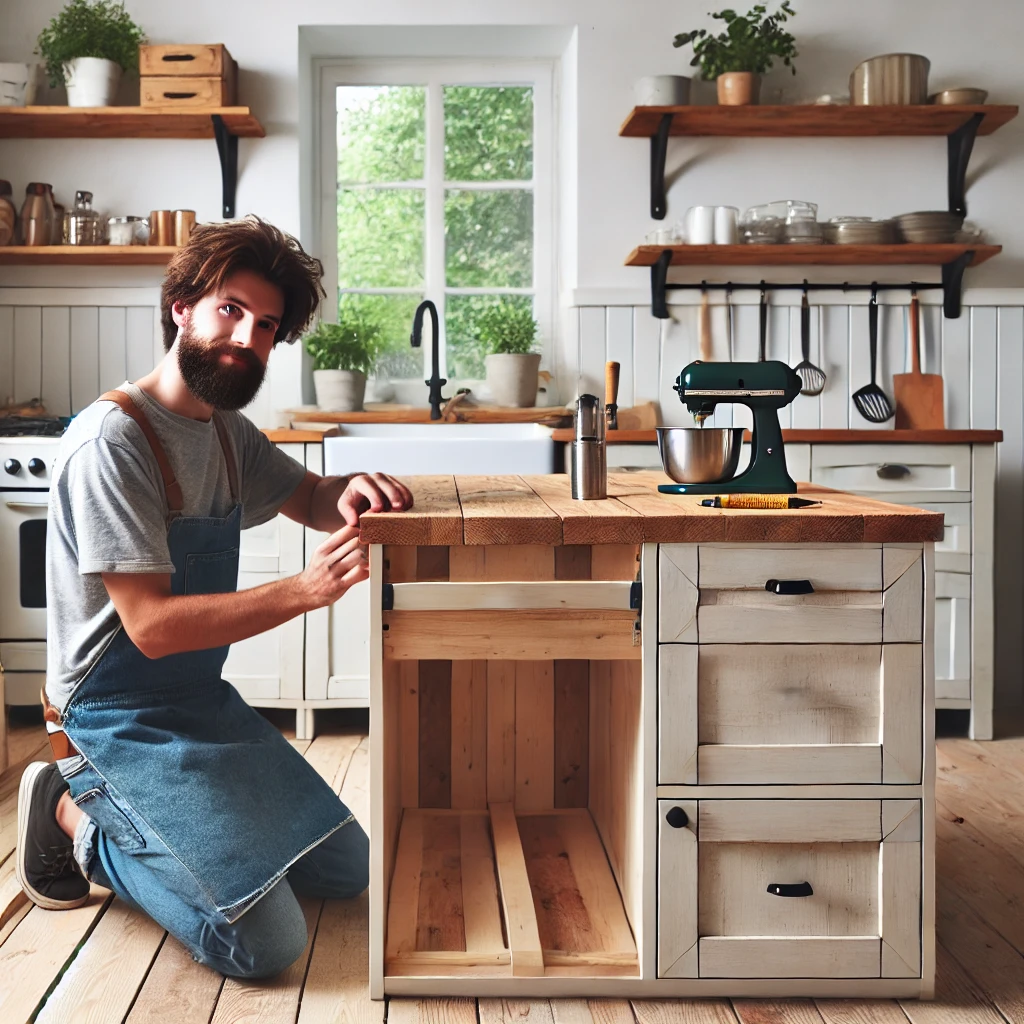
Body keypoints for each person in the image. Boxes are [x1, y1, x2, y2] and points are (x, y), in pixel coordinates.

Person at [15, 216, 413, 979]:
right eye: (231, 309)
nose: (247, 338)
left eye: (265, 326)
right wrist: (303, 590)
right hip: (112, 721)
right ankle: (74, 819)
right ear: (182, 308)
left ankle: (178, 835)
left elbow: (309, 493)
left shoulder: (227, 431)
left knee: (347, 872)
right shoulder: (116, 442)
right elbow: (154, 629)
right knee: (265, 944)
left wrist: (350, 491)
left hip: (198, 705)